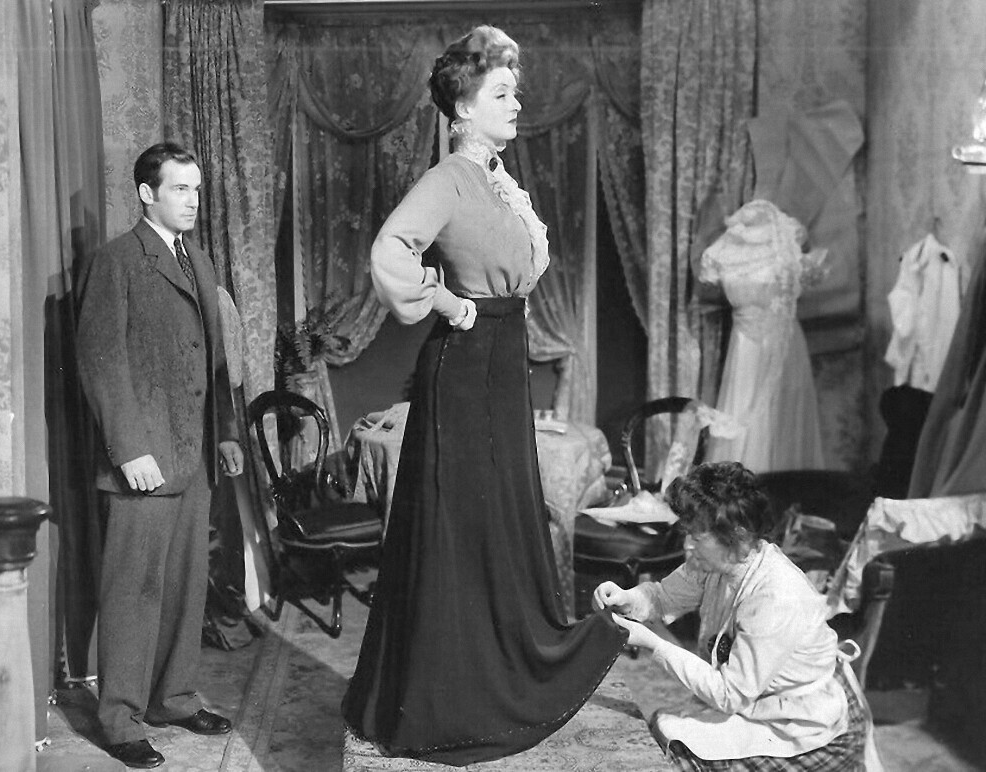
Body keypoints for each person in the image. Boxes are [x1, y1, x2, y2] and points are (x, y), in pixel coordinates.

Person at [341, 25, 627, 766]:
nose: (516, 102)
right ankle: (454, 700)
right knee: (462, 524)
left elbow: (524, 268)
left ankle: (504, 670)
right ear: (463, 108)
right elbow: (389, 250)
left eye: (514, 90)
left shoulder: (498, 180)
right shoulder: (450, 178)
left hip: (502, 361)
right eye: (501, 92)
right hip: (465, 364)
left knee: (497, 515)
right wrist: (446, 302)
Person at [76, 141, 244, 770]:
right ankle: (120, 721)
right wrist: (128, 450)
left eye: (196, 189)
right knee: (134, 591)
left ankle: (173, 698)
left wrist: (225, 433)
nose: (193, 200)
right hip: (143, 459)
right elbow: (101, 363)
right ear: (147, 193)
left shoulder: (197, 259)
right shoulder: (117, 261)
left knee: (184, 585)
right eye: (179, 188)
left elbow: (214, 359)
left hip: (194, 454)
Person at [593, 461, 881, 771]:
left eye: (697, 537)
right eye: (688, 533)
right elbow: (663, 597)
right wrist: (626, 598)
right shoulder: (717, 563)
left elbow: (729, 695)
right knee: (664, 733)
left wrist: (654, 644)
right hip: (756, 701)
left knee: (679, 758)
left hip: (805, 724)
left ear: (736, 535)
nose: (687, 545)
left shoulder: (776, 596)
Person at [699, 200, 827, 473]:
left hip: (783, 344)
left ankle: (784, 487)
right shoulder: (722, 250)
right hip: (744, 347)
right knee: (744, 412)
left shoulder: (787, 244)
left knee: (781, 421)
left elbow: (809, 275)